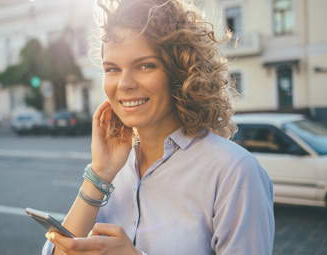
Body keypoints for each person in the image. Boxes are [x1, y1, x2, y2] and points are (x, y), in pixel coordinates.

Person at [42, 0, 275, 254]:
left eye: (145, 65)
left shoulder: (233, 171)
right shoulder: (114, 166)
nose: (124, 83)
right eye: (112, 69)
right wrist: (99, 175)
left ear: (181, 72)